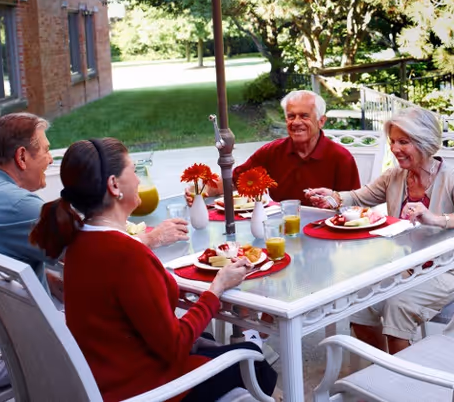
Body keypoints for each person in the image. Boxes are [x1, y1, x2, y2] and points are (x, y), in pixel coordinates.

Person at [0, 113, 189, 392]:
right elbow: (100, 256)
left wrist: (44, 284)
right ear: (22, 157)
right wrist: (153, 237)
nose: (50, 160)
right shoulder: (16, 205)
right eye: (47, 150)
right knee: (119, 335)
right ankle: (157, 387)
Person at [29, 138, 276, 402]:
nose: (137, 180)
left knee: (207, 339)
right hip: (149, 390)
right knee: (256, 362)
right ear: (114, 185)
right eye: (133, 171)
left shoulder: (78, 243)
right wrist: (217, 288)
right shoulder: (127, 255)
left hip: (106, 379)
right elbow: (175, 347)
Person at [306, 107, 454, 354]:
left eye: (404, 142)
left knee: (397, 304)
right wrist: (334, 197)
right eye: (393, 141)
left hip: (446, 269)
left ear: (425, 142)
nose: (394, 149)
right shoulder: (395, 175)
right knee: (359, 299)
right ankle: (377, 370)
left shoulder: (451, 177)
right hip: (402, 266)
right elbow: (360, 197)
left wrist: (436, 219)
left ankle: (400, 382)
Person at [190, 90, 361, 205]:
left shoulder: (341, 158)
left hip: (326, 235)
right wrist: (199, 190)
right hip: (280, 231)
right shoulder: (272, 152)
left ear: (321, 121)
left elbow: (353, 206)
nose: (296, 122)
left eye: (304, 116)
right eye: (291, 116)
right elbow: (233, 182)